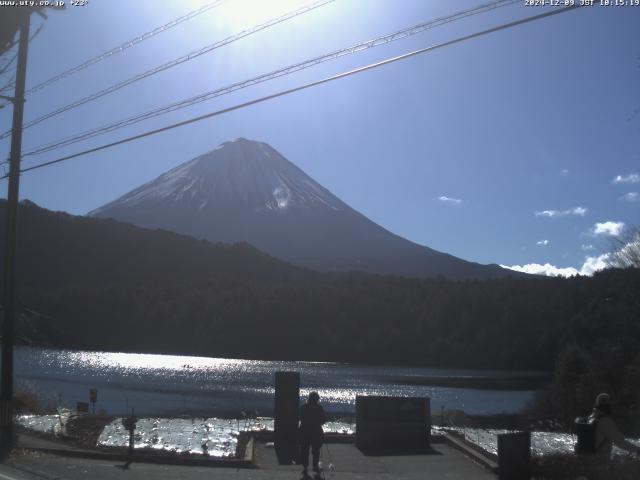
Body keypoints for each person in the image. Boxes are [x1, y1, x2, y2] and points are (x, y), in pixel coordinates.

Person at [589, 393, 640, 458]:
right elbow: (620, 442)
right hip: (599, 459)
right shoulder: (605, 421)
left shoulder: (591, 417)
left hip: (589, 457)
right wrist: (637, 449)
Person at [299, 391, 326, 475]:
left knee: (304, 450)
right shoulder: (319, 408)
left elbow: (300, 417)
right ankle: (315, 466)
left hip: (304, 431)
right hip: (316, 431)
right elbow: (323, 420)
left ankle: (305, 467)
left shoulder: (303, 407)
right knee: (316, 450)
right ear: (316, 399)